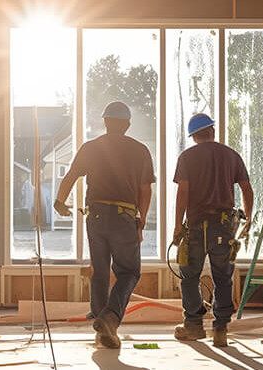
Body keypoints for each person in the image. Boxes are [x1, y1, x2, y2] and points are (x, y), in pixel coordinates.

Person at [53, 101, 156, 349]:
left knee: (99, 271)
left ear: (105, 122)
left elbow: (70, 176)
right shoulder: (140, 150)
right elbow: (145, 190)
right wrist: (140, 221)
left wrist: (59, 202)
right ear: (127, 124)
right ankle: (109, 319)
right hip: (124, 216)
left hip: (96, 215)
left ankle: (102, 327)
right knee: (129, 272)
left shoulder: (91, 147)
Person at [170, 113, 253, 348]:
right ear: (212, 131)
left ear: (194, 136)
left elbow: (183, 193)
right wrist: (247, 219)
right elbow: (247, 189)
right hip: (224, 227)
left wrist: (178, 225)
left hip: (196, 226)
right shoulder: (231, 155)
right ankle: (220, 329)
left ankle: (194, 326)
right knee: (223, 277)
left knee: (189, 276)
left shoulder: (187, 157)